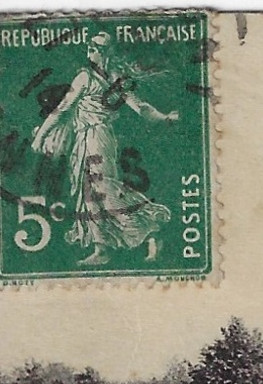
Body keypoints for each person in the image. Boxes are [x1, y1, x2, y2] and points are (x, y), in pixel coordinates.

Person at [31, 33, 180, 266]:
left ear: (108, 51)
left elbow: (140, 108)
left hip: (97, 137)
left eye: (97, 46)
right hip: (86, 138)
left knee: (103, 190)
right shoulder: (90, 77)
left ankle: (151, 229)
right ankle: (101, 249)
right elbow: (63, 110)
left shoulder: (105, 79)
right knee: (89, 194)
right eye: (89, 44)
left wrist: (165, 118)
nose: (90, 48)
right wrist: (43, 135)